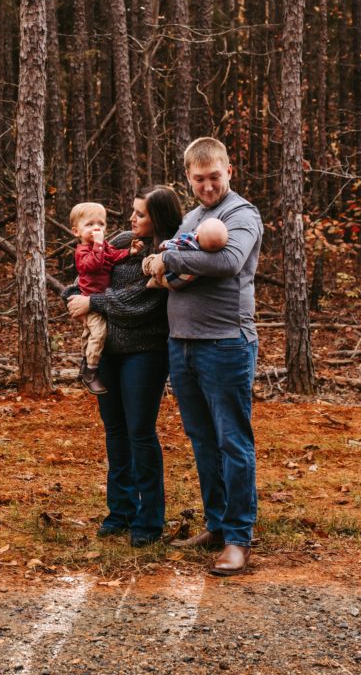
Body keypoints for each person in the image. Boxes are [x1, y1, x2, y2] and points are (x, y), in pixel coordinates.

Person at [149, 137, 263, 576]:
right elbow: (173, 274)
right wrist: (172, 266)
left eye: (215, 177)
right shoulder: (192, 218)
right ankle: (216, 524)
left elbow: (229, 262)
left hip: (226, 342)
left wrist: (172, 259)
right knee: (202, 439)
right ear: (189, 179)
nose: (208, 186)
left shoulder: (241, 214)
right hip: (182, 342)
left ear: (228, 171)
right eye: (199, 179)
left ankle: (239, 538)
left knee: (232, 439)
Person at [66, 186, 183, 548]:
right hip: (108, 354)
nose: (132, 219)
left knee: (140, 432)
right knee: (114, 431)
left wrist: (94, 303)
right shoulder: (119, 240)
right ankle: (120, 512)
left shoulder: (170, 253)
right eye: (133, 212)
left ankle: (149, 521)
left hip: (144, 353)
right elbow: (86, 274)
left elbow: (142, 303)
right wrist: (74, 296)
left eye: (141, 215)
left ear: (159, 219)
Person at [69, 201, 142, 395]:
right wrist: (99, 244)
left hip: (100, 301)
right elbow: (93, 265)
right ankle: (91, 372)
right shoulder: (82, 251)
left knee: (90, 335)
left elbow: (113, 257)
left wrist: (130, 252)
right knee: (99, 333)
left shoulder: (103, 246)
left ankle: (85, 364)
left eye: (101, 224)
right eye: (90, 224)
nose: (96, 229)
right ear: (76, 232)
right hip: (91, 301)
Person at [142, 217, 228, 290]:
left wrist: (165, 244)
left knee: (153, 258)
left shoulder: (191, 242)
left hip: (171, 276)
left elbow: (176, 245)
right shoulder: (204, 256)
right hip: (180, 283)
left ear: (197, 236)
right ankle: (155, 282)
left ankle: (146, 267)